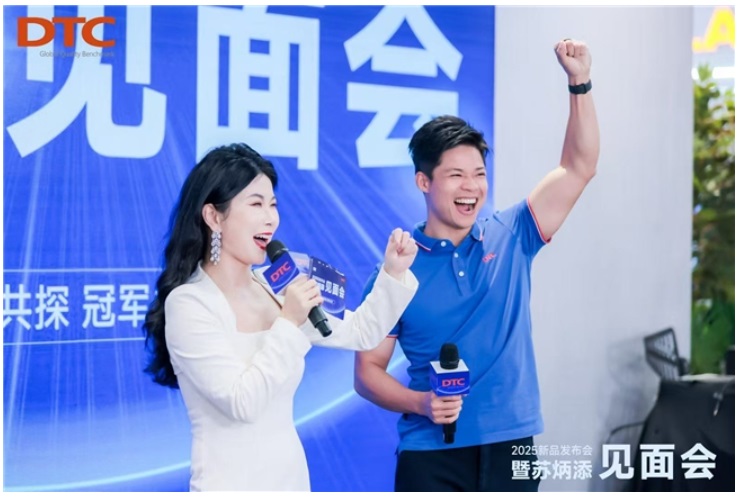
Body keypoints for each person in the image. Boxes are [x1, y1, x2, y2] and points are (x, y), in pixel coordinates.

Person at [354, 39, 600, 491]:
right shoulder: (397, 268)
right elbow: (367, 372)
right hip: (431, 455)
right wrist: (421, 403)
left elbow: (579, 166)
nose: (471, 187)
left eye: (479, 174)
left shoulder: (513, 233)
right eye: (456, 175)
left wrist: (579, 82)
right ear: (423, 181)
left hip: (512, 446)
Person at [143, 143, 419, 491]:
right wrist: (288, 323)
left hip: (291, 481)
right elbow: (243, 403)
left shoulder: (275, 287)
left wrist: (393, 273)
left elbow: (362, 333)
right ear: (213, 216)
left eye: (273, 204)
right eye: (256, 204)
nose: (270, 218)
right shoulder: (190, 303)